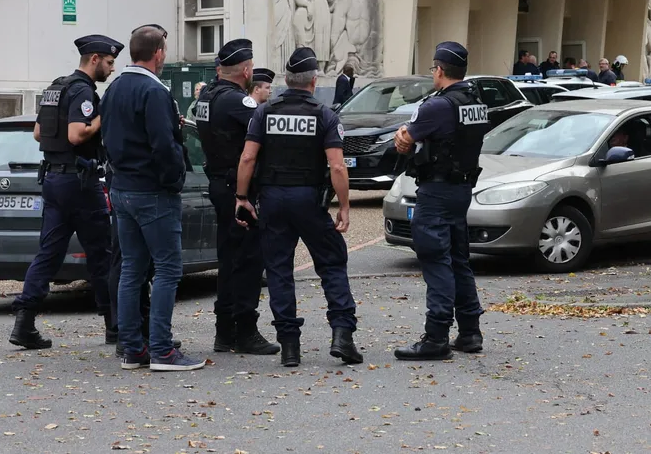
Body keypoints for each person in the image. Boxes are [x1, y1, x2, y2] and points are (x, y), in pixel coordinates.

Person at [234, 46, 363, 368]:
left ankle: (289, 346)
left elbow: (248, 158)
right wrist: (344, 206)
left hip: (273, 200)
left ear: (287, 80)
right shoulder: (324, 115)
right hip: (309, 200)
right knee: (331, 263)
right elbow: (337, 166)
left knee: (279, 270)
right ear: (313, 81)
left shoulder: (264, 112)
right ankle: (342, 335)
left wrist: (241, 197)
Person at [101, 24, 207, 371]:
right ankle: (162, 349)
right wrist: (174, 179)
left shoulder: (114, 88)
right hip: (152, 190)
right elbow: (164, 144)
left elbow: (107, 136)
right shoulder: (155, 90)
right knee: (167, 269)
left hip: (122, 187)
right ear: (158, 53)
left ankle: (133, 348)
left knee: (131, 269)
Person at [9, 35, 123, 350]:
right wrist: (102, 117)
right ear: (95, 59)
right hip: (80, 183)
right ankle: (114, 326)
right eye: (109, 62)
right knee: (101, 254)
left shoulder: (56, 87)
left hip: (53, 180)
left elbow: (38, 133)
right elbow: (76, 134)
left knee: (48, 253)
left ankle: (24, 322)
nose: (112, 69)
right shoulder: (83, 91)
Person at [392, 41, 488, 361]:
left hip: (437, 190)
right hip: (461, 190)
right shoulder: (475, 101)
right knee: (458, 259)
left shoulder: (437, 106)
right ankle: (470, 331)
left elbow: (406, 139)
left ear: (440, 70)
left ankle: (436, 337)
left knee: (436, 260)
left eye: (434, 69)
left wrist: (404, 133)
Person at [193, 39, 280, 356]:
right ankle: (244, 331)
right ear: (245, 70)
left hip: (219, 183)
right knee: (247, 260)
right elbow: (267, 133)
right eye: (251, 66)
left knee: (229, 259)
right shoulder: (237, 101)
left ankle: (224, 331)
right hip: (237, 187)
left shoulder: (207, 96)